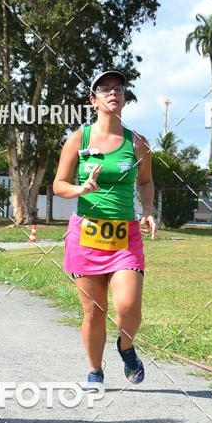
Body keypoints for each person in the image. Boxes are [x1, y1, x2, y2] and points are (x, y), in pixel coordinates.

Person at [53, 69, 156, 391]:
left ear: (125, 98)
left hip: (124, 235)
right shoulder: (78, 139)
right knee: (93, 311)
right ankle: (95, 370)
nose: (113, 93)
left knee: (128, 306)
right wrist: (81, 190)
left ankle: (126, 346)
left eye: (119, 89)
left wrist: (149, 210)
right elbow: (58, 185)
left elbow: (146, 181)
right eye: (105, 89)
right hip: (86, 234)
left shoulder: (136, 143)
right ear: (93, 100)